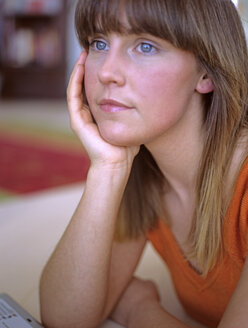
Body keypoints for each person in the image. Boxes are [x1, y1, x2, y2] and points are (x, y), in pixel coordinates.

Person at [39, 0, 248, 327]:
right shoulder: (142, 171)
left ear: (207, 71)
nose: (107, 72)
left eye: (146, 46)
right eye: (99, 43)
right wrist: (107, 169)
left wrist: (139, 309)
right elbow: (64, 319)